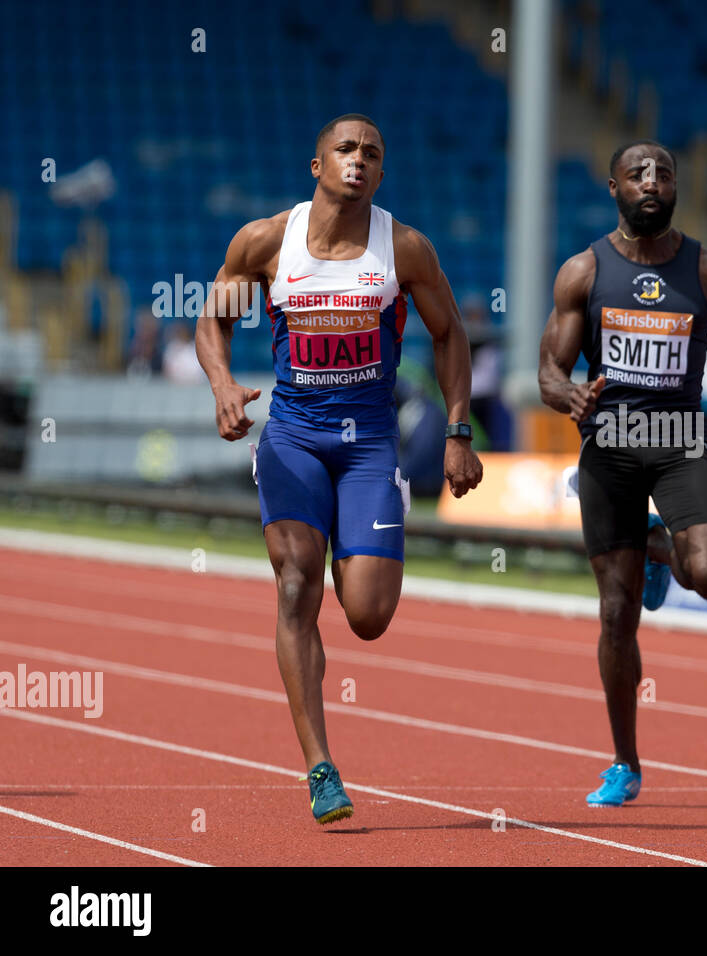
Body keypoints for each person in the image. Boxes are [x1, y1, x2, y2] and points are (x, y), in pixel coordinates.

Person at [195, 114, 483, 823]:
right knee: (296, 585)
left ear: (381, 174)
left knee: (367, 615)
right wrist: (224, 387)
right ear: (316, 164)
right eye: (345, 149)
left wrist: (457, 430)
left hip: (367, 448)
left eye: (372, 154)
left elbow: (449, 335)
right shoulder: (267, 242)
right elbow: (213, 319)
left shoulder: (404, 249)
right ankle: (321, 768)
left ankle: (346, 539)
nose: (358, 160)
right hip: (293, 436)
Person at [538, 140, 707, 806]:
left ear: (676, 190)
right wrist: (568, 395)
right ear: (613, 187)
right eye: (638, 173)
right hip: (608, 450)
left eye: (664, 174)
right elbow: (547, 371)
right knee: (617, 613)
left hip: (678, 444)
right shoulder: (582, 272)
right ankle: (624, 762)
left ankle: (658, 548)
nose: (652, 182)